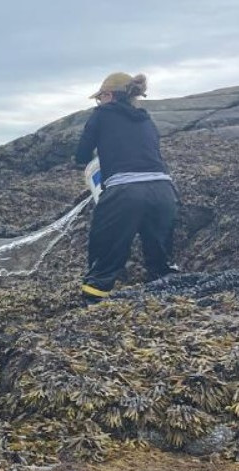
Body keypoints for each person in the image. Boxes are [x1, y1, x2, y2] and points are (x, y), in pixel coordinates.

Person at [74, 72, 179, 302]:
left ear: (109, 95)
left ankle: (93, 307)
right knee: (160, 265)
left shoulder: (101, 115)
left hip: (125, 193)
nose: (98, 103)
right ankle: (163, 308)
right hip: (164, 191)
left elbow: (81, 155)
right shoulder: (146, 119)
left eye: (99, 98)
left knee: (103, 263)